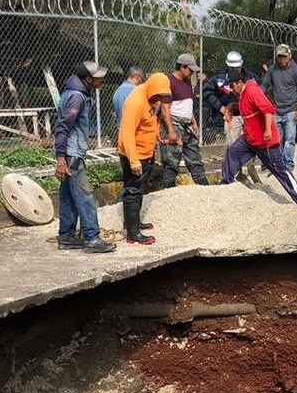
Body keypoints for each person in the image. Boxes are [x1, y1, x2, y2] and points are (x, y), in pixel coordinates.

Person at [220, 68, 297, 207]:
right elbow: (248, 107)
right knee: (233, 152)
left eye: (232, 86)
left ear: (239, 82)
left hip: (265, 141)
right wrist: (232, 107)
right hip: (250, 139)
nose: (231, 89)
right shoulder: (242, 94)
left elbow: (268, 110)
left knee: (279, 169)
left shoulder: (252, 90)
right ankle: (226, 184)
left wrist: (268, 130)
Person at [54, 60, 115, 254]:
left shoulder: (71, 93)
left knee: (68, 197)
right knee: (85, 197)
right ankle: (91, 238)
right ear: (88, 79)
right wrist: (61, 159)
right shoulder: (77, 98)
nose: (102, 80)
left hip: (70, 153)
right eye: (98, 78)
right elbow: (63, 127)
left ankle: (66, 236)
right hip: (72, 155)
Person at [118, 72, 172, 246]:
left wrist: (155, 138)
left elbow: (150, 122)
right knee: (133, 191)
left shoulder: (151, 97)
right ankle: (133, 234)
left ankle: (134, 222)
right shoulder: (135, 101)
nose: (159, 100)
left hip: (146, 153)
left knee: (139, 189)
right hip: (134, 155)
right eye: (157, 96)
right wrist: (134, 161)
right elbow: (127, 133)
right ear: (151, 89)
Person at [158, 53, 209, 188]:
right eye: (190, 69)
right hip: (174, 124)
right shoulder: (169, 82)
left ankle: (205, 189)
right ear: (182, 67)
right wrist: (170, 130)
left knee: (195, 160)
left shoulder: (187, 82)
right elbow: (165, 108)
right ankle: (168, 191)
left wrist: (194, 122)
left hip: (187, 125)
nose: (192, 73)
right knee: (172, 163)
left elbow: (188, 103)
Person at [261, 43, 297, 171]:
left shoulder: (296, 71)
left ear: (290, 56)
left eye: (284, 56)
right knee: (277, 140)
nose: (281, 59)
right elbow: (264, 85)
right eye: (279, 57)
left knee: (289, 140)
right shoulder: (273, 69)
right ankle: (278, 165)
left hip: (291, 111)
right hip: (276, 111)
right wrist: (257, 97)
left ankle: (288, 166)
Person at [202, 51, 257, 144]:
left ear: (241, 65)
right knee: (233, 147)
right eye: (232, 68)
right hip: (231, 117)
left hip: (249, 116)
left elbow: (260, 91)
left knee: (251, 145)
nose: (235, 69)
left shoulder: (250, 77)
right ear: (228, 66)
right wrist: (221, 108)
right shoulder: (220, 79)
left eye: (237, 67)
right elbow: (207, 92)